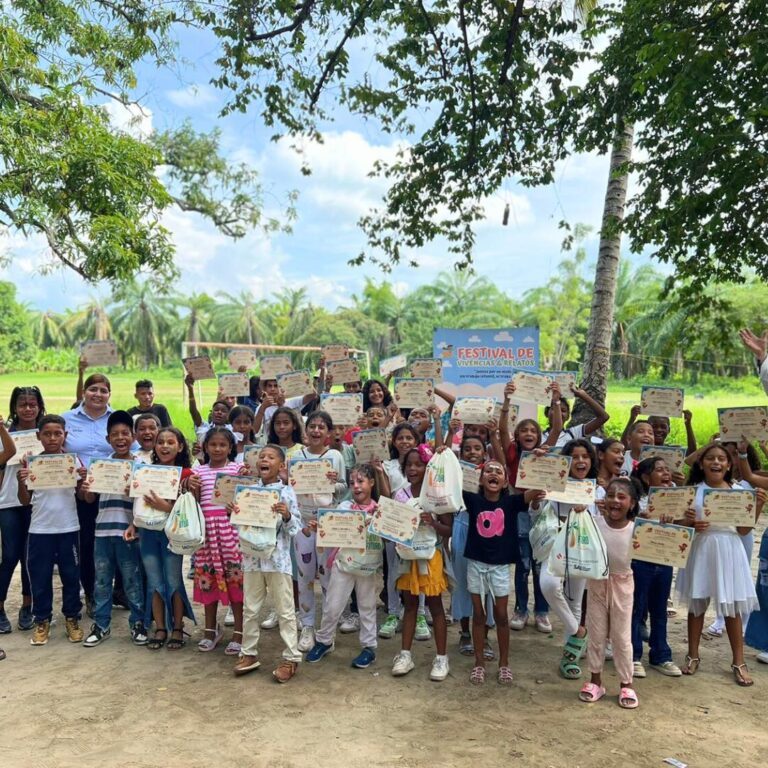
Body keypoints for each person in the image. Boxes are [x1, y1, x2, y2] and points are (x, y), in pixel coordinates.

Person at [677, 443, 762, 686]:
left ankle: (738, 661)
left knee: (732, 606)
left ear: (729, 465)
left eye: (722, 459)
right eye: (710, 458)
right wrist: (691, 524)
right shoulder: (693, 491)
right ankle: (693, 654)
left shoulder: (738, 491)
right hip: (701, 549)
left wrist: (758, 505)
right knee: (697, 604)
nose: (716, 462)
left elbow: (744, 529)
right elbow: (679, 522)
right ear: (701, 464)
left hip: (729, 549)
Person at [463, 460, 544, 685]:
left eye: (499, 472)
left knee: (501, 616)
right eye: (488, 471)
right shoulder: (472, 499)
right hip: (476, 565)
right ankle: (479, 663)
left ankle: (504, 663)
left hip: (499, 567)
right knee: (478, 615)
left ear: (506, 481)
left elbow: (535, 490)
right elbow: (448, 480)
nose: (493, 474)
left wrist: (542, 459)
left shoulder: (511, 503)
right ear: (480, 479)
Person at [233, 444, 302, 683]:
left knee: (284, 610)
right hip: (252, 559)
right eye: (261, 456)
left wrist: (287, 515)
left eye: (271, 457)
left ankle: (291, 657)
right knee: (250, 609)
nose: (264, 459)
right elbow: (240, 525)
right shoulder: (248, 491)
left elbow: (295, 528)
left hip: (278, 560)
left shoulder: (286, 493)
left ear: (281, 466)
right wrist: (236, 511)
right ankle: (248, 653)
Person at [18, 415, 87, 646]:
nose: (53, 438)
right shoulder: (32, 463)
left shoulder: (73, 461)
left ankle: (72, 617)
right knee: (40, 576)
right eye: (47, 434)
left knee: (71, 574)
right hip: (40, 528)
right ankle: (41, 619)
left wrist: (83, 481)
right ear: (38, 436)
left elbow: (81, 496)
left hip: (68, 527)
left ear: (65, 435)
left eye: (58, 433)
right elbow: (24, 500)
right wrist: (21, 480)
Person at [307, 463, 384, 669]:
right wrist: (320, 526)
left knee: (367, 606)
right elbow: (331, 528)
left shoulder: (379, 510)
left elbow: (390, 532)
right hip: (342, 564)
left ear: (372, 483)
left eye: (361, 481)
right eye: (352, 482)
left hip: (367, 567)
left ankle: (369, 647)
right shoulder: (344, 507)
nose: (356, 486)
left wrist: (375, 520)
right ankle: (324, 640)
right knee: (332, 605)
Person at [532, 439, 598, 679]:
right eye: (575, 457)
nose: (580, 461)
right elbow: (537, 510)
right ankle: (578, 631)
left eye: (585, 457)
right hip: (556, 544)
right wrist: (541, 464)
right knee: (549, 585)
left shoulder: (596, 488)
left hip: (582, 548)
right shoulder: (555, 484)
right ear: (566, 461)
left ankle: (570, 656)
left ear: (592, 461)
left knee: (575, 602)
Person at [80, 410, 147, 647]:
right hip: (102, 531)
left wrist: (134, 490)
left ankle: (138, 623)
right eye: (115, 434)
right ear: (108, 439)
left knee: (132, 579)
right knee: (101, 580)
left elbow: (145, 499)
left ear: (133, 437)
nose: (120, 438)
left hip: (128, 531)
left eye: (125, 433)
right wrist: (87, 488)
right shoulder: (101, 465)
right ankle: (101, 625)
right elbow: (89, 499)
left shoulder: (141, 465)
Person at [129, 427, 196, 650]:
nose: (165, 446)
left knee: (174, 580)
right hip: (147, 533)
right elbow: (139, 503)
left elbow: (190, 510)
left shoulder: (187, 475)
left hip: (172, 535)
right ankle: (159, 627)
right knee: (155, 581)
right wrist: (132, 525)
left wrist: (165, 507)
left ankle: (177, 626)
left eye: (170, 442)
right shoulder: (146, 472)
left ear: (180, 446)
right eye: (160, 442)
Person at [390, 444, 453, 681]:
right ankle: (405, 654)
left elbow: (448, 530)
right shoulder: (400, 494)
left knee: (435, 606)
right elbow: (393, 527)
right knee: (410, 605)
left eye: (419, 464)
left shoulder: (437, 496)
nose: (414, 468)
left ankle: (441, 657)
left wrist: (432, 522)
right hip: (407, 557)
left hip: (430, 557)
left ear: (429, 468)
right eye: (409, 465)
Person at [579, 477, 639, 709]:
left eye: (621, 497)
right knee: (596, 634)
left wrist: (663, 522)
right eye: (611, 495)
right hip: (596, 583)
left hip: (623, 585)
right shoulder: (593, 523)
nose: (615, 500)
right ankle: (595, 681)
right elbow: (574, 533)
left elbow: (663, 541)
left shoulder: (637, 529)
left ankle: (627, 683)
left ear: (632, 504)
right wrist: (579, 512)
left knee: (621, 637)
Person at [293, 410, 347, 652]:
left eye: (321, 427)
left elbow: (344, 486)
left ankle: (327, 628)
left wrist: (334, 481)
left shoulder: (335, 456)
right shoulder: (296, 456)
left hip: (327, 522)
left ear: (328, 432)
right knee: (305, 575)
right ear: (306, 430)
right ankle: (306, 625)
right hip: (303, 522)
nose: (316, 431)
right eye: (312, 426)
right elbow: (290, 487)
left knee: (327, 576)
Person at [62, 371, 114, 617]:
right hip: (78, 492)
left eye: (103, 390)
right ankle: (92, 594)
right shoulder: (67, 419)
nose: (98, 394)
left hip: (112, 492)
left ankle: (119, 592)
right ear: (84, 392)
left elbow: (133, 448)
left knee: (116, 540)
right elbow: (54, 449)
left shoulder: (117, 418)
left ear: (109, 395)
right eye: (93, 389)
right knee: (86, 543)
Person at [190, 427, 244, 654]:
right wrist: (190, 487)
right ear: (205, 447)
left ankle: (240, 632)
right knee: (207, 583)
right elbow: (193, 503)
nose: (218, 449)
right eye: (213, 445)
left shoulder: (237, 470)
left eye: (223, 445)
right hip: (207, 539)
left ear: (231, 448)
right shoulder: (198, 472)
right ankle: (210, 629)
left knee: (236, 586)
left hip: (230, 536)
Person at [629, 457, 682, 677]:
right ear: (645, 476)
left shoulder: (678, 499)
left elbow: (683, 531)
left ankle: (661, 656)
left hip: (664, 560)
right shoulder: (636, 500)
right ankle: (633, 656)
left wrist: (684, 519)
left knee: (659, 610)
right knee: (636, 609)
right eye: (659, 470)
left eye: (666, 469)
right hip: (640, 561)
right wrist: (641, 519)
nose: (665, 473)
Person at [450, 430, 497, 658]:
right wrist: (448, 430)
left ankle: (485, 635)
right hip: (462, 524)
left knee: (486, 584)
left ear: (484, 452)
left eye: (477, 448)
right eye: (467, 448)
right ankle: (465, 632)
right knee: (464, 583)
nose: (472, 453)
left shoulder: (491, 473)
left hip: (488, 529)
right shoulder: (454, 472)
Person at [0, 386, 41, 635]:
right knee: (10, 556)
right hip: (7, 503)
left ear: (39, 406)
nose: (28, 408)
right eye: (23, 404)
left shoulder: (46, 433)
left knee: (30, 557)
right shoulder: (5, 433)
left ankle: (27, 606)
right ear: (14, 407)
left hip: (38, 504)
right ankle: (0, 606)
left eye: (32, 404)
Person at [379, 422, 422, 640]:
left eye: (409, 438)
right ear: (393, 442)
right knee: (393, 570)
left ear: (416, 441)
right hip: (393, 521)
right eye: (400, 438)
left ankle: (420, 614)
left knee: (419, 569)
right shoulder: (388, 465)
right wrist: (378, 471)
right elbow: (386, 495)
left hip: (419, 527)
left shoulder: (423, 462)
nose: (404, 441)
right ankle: (393, 613)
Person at [542, 383, 610, 447]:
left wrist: (583, 395)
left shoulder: (573, 433)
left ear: (568, 416)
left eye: (563, 410)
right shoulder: (539, 436)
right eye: (554, 409)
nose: (558, 413)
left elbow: (604, 417)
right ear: (546, 413)